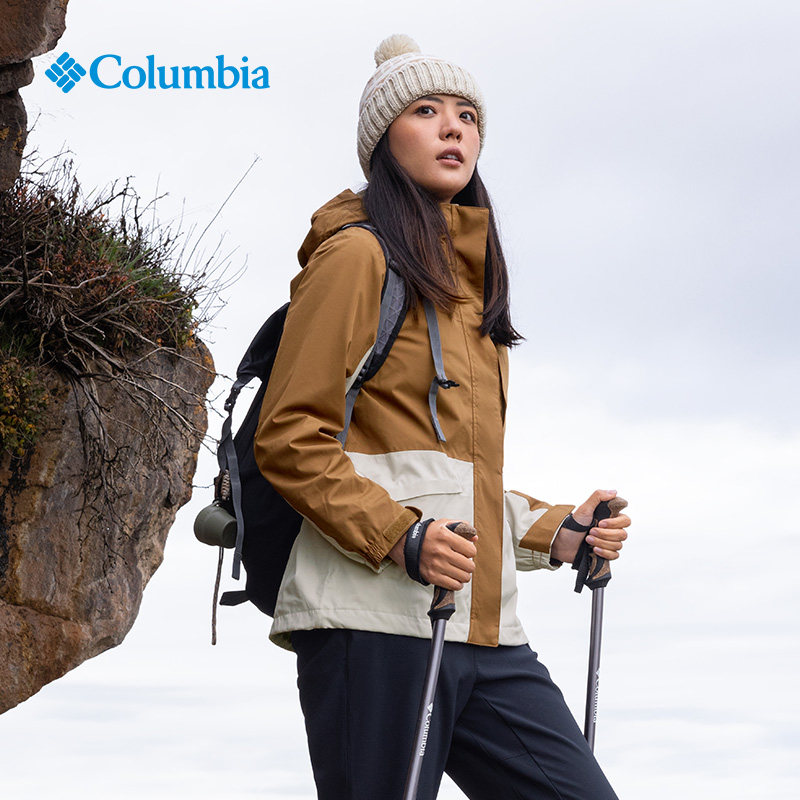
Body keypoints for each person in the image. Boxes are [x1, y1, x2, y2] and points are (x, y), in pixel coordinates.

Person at [253, 34, 632, 800]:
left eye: (467, 114)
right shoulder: (355, 258)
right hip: (371, 622)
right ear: (384, 140)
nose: (453, 127)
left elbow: (447, 477)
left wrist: (555, 532)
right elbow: (289, 438)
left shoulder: (469, 291)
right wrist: (403, 537)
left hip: (483, 628)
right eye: (425, 111)